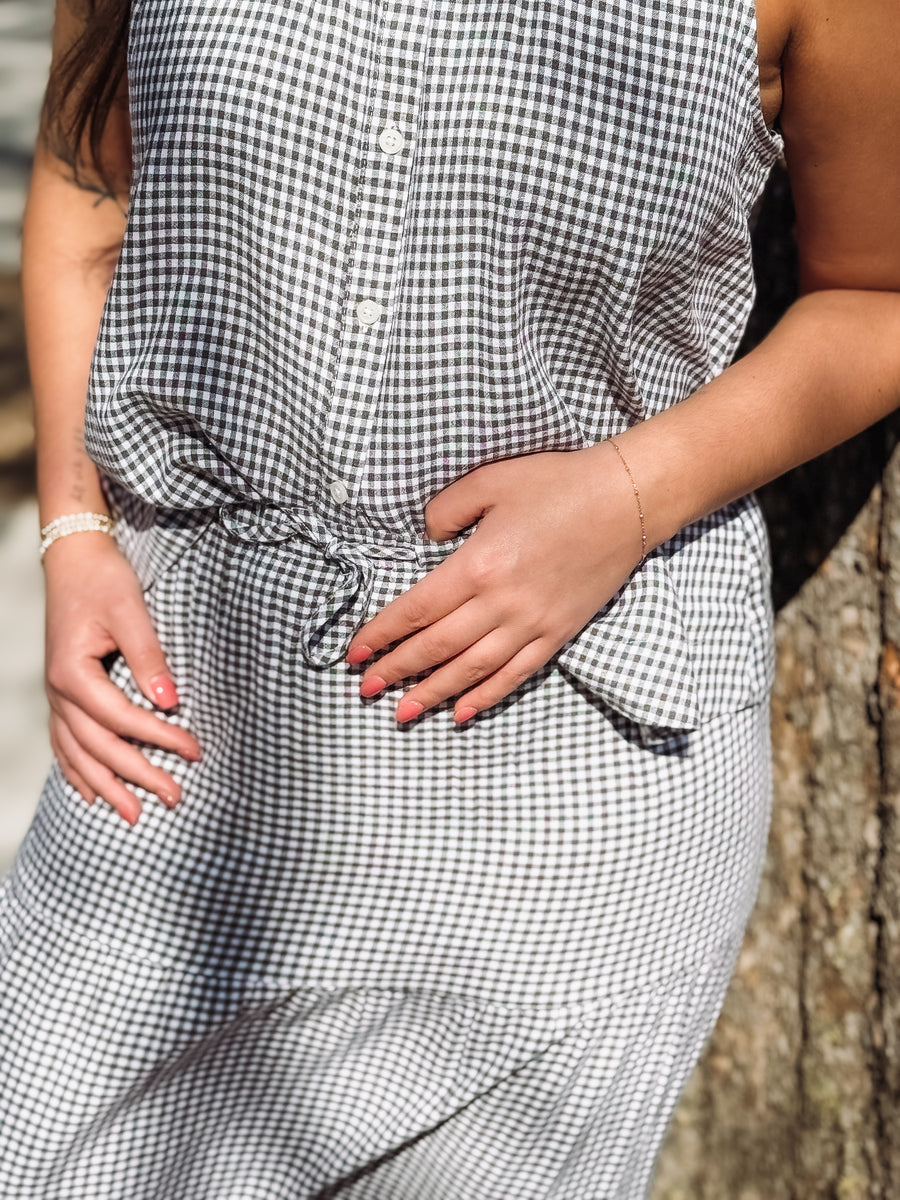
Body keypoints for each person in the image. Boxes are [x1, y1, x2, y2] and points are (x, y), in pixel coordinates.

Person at [1, 0, 898, 1195]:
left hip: (577, 780)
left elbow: (878, 294)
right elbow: (88, 176)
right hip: (187, 720)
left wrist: (630, 495)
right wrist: (74, 527)